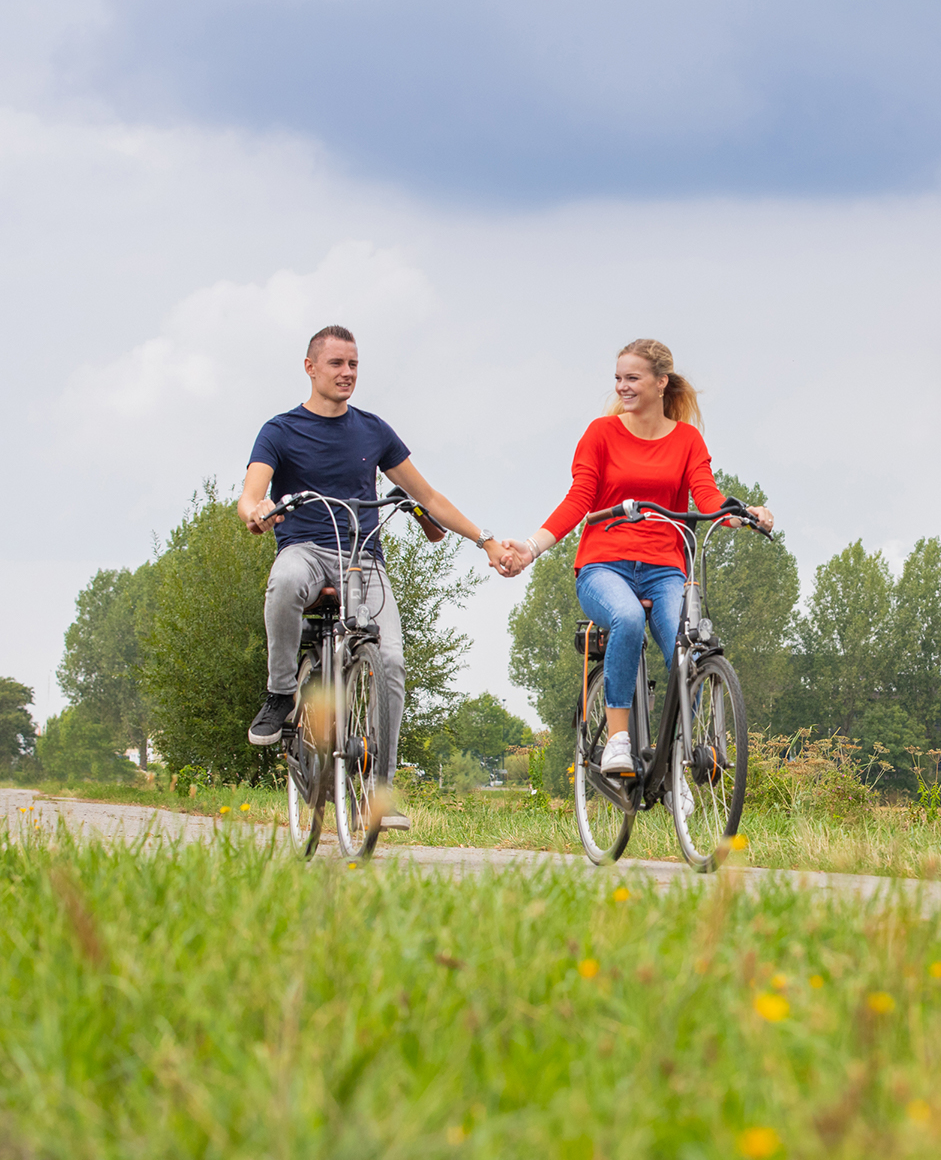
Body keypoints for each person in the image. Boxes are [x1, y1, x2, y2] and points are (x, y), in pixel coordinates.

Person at [239, 325, 509, 828]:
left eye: (354, 365)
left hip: (362, 559)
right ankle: (280, 693)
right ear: (310, 368)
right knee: (283, 584)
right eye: (337, 364)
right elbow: (252, 494)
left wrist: (485, 540)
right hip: (305, 550)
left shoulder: (373, 431)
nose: (347, 373)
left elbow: (429, 498)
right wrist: (257, 511)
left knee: (389, 662)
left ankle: (377, 795)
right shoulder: (280, 430)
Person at [498, 338, 773, 778]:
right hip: (604, 566)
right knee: (626, 618)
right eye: (618, 378)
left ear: (661, 382)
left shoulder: (687, 440)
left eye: (632, 378)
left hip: (665, 569)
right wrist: (531, 548)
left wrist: (742, 514)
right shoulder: (601, 434)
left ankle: (679, 756)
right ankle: (618, 741)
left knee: (688, 645)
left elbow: (707, 497)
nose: (622, 387)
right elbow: (578, 500)